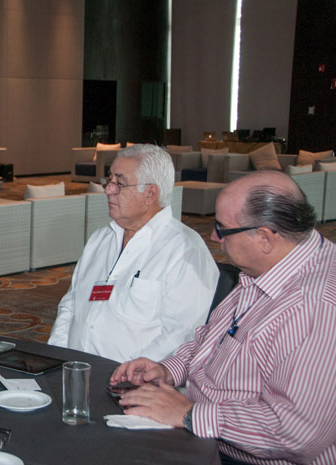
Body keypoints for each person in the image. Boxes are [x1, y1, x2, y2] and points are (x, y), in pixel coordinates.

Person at [111, 170, 336, 465]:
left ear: (265, 238)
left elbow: (298, 433)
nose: (214, 237)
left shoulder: (314, 307)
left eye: (222, 229)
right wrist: (167, 370)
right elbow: (212, 338)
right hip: (210, 432)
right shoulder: (271, 267)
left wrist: (190, 414)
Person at [48, 144, 218, 362]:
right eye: (108, 181)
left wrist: (133, 375)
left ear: (150, 194)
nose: (108, 190)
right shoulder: (101, 239)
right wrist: (59, 358)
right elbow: (71, 305)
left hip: (134, 380)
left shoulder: (185, 250)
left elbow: (184, 335)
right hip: (77, 371)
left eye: (119, 184)